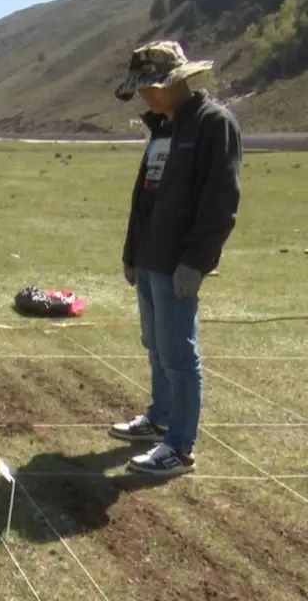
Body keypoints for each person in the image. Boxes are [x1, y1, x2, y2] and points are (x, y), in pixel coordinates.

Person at [108, 41, 242, 476]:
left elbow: (220, 202)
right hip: (149, 259)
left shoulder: (213, 124)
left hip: (177, 264)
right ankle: (160, 417)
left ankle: (179, 446)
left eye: (148, 87)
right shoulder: (163, 129)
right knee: (156, 346)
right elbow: (144, 197)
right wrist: (131, 253)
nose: (143, 96)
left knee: (179, 355)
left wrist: (196, 261)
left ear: (175, 82)